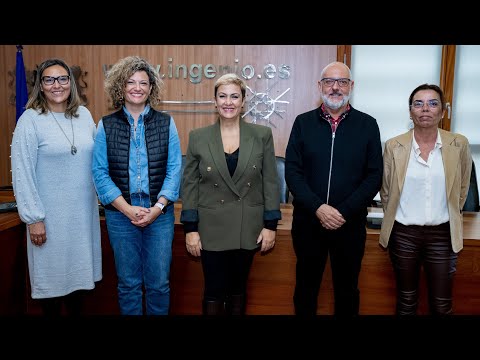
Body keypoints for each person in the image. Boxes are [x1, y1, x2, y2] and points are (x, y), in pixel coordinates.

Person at [285, 61, 383, 316]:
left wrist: (343, 212)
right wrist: (319, 208)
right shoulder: (302, 123)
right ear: (320, 86)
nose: (335, 88)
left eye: (342, 82)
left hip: (349, 224)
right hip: (308, 222)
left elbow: (374, 176)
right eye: (329, 81)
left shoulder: (368, 125)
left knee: (348, 291)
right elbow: (293, 173)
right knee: (305, 289)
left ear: (351, 86)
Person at [180, 73, 281, 315]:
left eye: (234, 96)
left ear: (243, 101)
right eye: (222, 96)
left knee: (238, 289)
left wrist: (271, 225)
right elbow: (190, 184)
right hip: (211, 227)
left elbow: (270, 181)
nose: (228, 102)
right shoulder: (198, 137)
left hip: (248, 226)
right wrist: (191, 229)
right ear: (214, 101)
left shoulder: (262, 135)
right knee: (213, 290)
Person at [11, 58, 102, 316]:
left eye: (62, 79)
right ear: (40, 86)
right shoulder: (30, 120)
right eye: (49, 80)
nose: (56, 85)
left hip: (82, 219)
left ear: (71, 83)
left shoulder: (84, 116)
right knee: (52, 291)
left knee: (79, 292)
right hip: (49, 221)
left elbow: (97, 163)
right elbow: (22, 172)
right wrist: (33, 218)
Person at [92, 56, 182, 315]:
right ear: (121, 87)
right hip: (121, 216)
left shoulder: (166, 123)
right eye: (131, 82)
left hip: (159, 216)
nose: (137, 87)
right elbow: (100, 173)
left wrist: (158, 207)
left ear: (151, 88)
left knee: (159, 285)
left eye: (144, 82)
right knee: (129, 284)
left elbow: (174, 169)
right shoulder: (106, 125)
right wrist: (126, 209)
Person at [380, 84, 472, 315]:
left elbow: (462, 187)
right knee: (406, 301)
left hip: (442, 234)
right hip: (403, 235)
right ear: (410, 111)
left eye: (433, 103)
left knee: (442, 304)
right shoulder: (394, 145)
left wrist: (451, 211)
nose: (425, 109)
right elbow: (386, 190)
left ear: (442, 111)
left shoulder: (458, 143)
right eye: (418, 104)